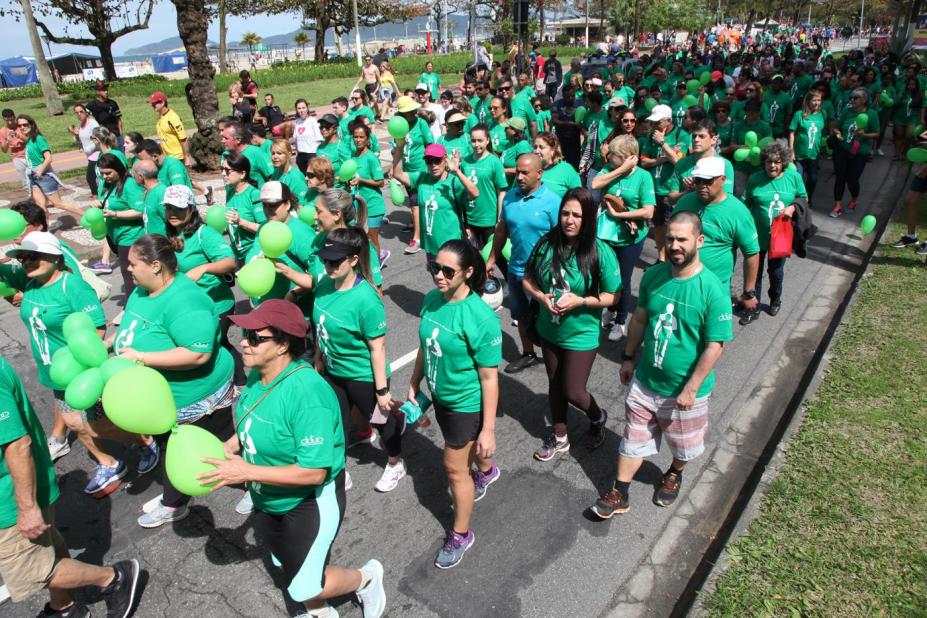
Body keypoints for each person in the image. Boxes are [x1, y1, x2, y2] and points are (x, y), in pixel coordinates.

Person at [200, 299, 386, 618]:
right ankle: (320, 610)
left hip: (310, 500)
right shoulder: (259, 376)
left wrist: (247, 471)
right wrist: (234, 442)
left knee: (303, 587)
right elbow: (255, 418)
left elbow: (314, 472)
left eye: (256, 338)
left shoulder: (307, 395)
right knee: (283, 561)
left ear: (283, 344)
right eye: (244, 333)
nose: (243, 342)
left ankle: (366, 579)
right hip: (268, 498)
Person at [590, 211, 733, 518]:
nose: (675, 245)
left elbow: (715, 346)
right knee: (633, 436)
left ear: (699, 240)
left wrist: (691, 389)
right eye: (670, 238)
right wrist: (628, 357)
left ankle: (674, 471)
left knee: (683, 444)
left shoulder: (712, 289)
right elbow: (640, 317)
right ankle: (620, 493)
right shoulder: (654, 276)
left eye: (682, 239)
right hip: (645, 381)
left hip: (683, 391)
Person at [0, 232, 147, 494]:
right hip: (52, 371)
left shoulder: (72, 287)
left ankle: (143, 442)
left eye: (34, 256)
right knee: (75, 422)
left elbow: (98, 330)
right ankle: (114, 459)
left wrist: (76, 362)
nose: (27, 262)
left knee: (92, 423)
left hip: (78, 371)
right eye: (23, 257)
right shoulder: (29, 281)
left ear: (55, 258)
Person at [0, 355, 140, 618]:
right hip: (16, 492)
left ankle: (114, 579)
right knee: (47, 546)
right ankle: (63, 607)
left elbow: (17, 446)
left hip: (9, 499)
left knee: (31, 572)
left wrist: (28, 508)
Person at [113, 234, 236, 528]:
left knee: (208, 450)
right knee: (190, 447)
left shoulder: (186, 301)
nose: (127, 269)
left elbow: (197, 354)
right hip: (163, 398)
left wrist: (139, 357)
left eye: (133, 264)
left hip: (195, 398)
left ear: (156, 266)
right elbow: (131, 328)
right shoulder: (143, 291)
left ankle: (175, 502)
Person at [408, 239, 501, 568]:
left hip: (465, 404)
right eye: (435, 267)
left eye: (448, 271)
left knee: (454, 468)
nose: (439, 276)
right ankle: (487, 472)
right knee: (467, 458)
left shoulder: (480, 318)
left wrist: (488, 430)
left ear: (469, 272)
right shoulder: (433, 300)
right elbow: (425, 343)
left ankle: (461, 534)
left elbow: (490, 379)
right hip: (438, 395)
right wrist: (414, 382)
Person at [522, 188, 620, 460]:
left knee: (574, 391)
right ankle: (560, 436)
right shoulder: (546, 243)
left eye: (577, 215)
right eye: (565, 213)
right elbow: (527, 278)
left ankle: (597, 417)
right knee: (554, 384)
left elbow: (614, 295)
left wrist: (581, 301)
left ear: (588, 218)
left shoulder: (600, 251)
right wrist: (541, 298)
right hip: (549, 329)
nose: (570, 219)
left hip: (581, 334)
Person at [310, 227, 406, 494]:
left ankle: (395, 463)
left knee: (381, 422)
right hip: (333, 370)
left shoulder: (366, 300)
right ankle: (339, 471)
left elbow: (378, 348)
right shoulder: (322, 285)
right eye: (325, 260)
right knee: (335, 422)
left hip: (364, 376)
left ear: (353, 259)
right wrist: (319, 356)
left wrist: (382, 390)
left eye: (335, 261)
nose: (328, 266)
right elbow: (320, 326)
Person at [486, 153, 561, 374]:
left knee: (548, 317)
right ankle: (528, 354)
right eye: (517, 171)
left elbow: (563, 240)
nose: (519, 176)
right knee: (520, 315)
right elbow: (502, 230)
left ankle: (555, 357)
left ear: (539, 173)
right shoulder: (510, 197)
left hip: (544, 274)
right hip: (516, 268)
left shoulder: (553, 201)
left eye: (525, 172)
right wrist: (491, 259)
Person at [162, 184, 244, 382]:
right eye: (169, 208)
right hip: (190, 305)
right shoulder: (170, 234)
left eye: (179, 208)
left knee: (214, 345)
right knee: (210, 345)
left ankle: (239, 382)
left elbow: (230, 261)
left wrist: (203, 268)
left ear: (191, 208)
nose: (173, 213)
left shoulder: (204, 234)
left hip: (216, 304)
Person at [673, 157, 760, 314]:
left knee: (711, 336)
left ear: (722, 180)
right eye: (698, 180)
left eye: (707, 181)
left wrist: (749, 292)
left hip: (714, 290)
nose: (701, 186)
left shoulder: (738, 211)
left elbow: (751, 253)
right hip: (680, 283)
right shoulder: (684, 202)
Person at [592, 136, 656, 341]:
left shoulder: (644, 177)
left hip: (630, 239)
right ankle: (610, 308)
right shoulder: (610, 169)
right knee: (605, 274)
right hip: (606, 236)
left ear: (629, 157)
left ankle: (620, 322)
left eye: (614, 155)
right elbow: (594, 183)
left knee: (623, 279)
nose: (609, 156)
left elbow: (648, 212)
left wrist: (620, 216)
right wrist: (619, 170)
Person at [740, 142, 807, 324]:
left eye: (776, 162)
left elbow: (803, 198)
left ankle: (775, 298)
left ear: (783, 162)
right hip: (757, 235)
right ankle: (753, 307)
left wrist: (792, 208)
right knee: (755, 271)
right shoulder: (755, 179)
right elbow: (745, 204)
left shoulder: (793, 178)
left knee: (775, 272)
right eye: (769, 162)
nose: (772, 166)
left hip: (780, 236)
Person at [391, 143, 479, 263]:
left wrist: (457, 171)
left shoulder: (453, 182)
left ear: (445, 160)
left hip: (451, 245)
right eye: (429, 161)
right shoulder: (421, 178)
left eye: (437, 160)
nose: (433, 165)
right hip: (431, 245)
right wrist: (400, 147)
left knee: (453, 279)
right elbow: (398, 174)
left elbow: (475, 193)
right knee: (438, 279)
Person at [244, 182, 316, 308]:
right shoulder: (263, 227)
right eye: (264, 205)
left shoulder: (303, 233)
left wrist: (293, 295)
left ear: (287, 204)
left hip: (290, 314)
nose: (267, 210)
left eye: (272, 205)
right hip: (260, 310)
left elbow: (319, 276)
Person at [638, 104, 688, 261]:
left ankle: (674, 258)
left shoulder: (682, 135)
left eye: (657, 122)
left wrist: (662, 144)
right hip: (654, 187)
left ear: (668, 120)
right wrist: (663, 159)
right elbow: (644, 162)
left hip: (671, 189)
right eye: (653, 122)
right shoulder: (651, 135)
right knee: (658, 225)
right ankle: (661, 258)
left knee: (673, 228)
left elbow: (678, 161)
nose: (654, 126)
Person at [17, 115, 83, 223]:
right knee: (40, 206)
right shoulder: (29, 139)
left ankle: (86, 216)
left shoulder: (38, 138)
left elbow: (48, 158)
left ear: (32, 124)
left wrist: (40, 170)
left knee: (58, 204)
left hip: (43, 176)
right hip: (33, 176)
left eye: (25, 124)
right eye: (20, 125)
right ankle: (44, 229)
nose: (22, 127)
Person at [98, 152, 145, 298]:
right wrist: (99, 204)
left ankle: (131, 306)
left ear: (118, 169)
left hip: (131, 235)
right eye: (102, 174)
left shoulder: (130, 184)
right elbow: (107, 202)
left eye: (108, 173)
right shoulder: (105, 184)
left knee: (128, 271)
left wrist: (115, 214)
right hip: (115, 236)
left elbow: (139, 210)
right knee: (128, 271)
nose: (105, 177)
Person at [829, 88, 879, 218]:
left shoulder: (871, 114)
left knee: (852, 179)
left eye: (855, 98)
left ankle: (854, 199)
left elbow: (877, 133)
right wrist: (837, 133)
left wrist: (865, 134)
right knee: (840, 177)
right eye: (851, 97)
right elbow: (836, 126)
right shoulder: (847, 110)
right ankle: (837, 206)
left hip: (860, 152)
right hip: (842, 148)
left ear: (864, 100)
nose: (852, 100)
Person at [665, 119, 735, 204]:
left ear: (714, 139)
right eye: (694, 136)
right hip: (686, 214)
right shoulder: (682, 163)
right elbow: (671, 199)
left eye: (701, 136)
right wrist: (687, 192)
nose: (696, 140)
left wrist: (699, 188)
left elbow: (727, 199)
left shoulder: (725, 164)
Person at [461, 124, 507, 250]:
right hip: (470, 218)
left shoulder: (494, 162)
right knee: (474, 258)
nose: (476, 144)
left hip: (489, 219)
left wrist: (499, 219)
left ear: (487, 140)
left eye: (480, 140)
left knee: (496, 257)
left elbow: (501, 192)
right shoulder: (465, 161)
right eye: (473, 141)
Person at [347, 122, 388, 262]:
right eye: (355, 137)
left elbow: (380, 182)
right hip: (359, 206)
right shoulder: (353, 157)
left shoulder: (371, 158)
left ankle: (377, 264)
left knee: (371, 237)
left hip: (373, 205)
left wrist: (361, 180)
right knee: (361, 238)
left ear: (368, 139)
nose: (357, 140)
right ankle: (369, 262)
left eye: (361, 137)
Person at [223, 153, 265, 263]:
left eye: (227, 171)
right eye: (222, 169)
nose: (223, 174)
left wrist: (241, 222)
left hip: (254, 254)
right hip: (237, 254)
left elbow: (266, 228)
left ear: (242, 174)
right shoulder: (230, 191)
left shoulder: (254, 194)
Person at [789, 90, 826, 209]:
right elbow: (792, 133)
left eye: (819, 100)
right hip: (799, 154)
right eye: (814, 100)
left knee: (813, 179)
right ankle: (798, 202)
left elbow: (822, 132)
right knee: (798, 178)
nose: (816, 103)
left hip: (814, 154)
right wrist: (791, 151)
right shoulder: (799, 114)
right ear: (808, 101)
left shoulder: (822, 114)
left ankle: (808, 197)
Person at [221, 122, 274, 188]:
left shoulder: (256, 152)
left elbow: (271, 178)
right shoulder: (225, 154)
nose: (222, 141)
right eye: (222, 138)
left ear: (238, 140)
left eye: (226, 138)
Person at [147, 92, 192, 166]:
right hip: (167, 157)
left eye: (154, 104)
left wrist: (186, 157)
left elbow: (183, 139)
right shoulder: (160, 117)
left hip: (177, 157)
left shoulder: (173, 118)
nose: (152, 106)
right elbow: (163, 137)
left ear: (162, 103)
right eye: (152, 104)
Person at [533, 132, 582, 198]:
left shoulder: (567, 170)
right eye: (535, 147)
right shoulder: (529, 168)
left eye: (541, 147)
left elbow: (579, 197)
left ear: (553, 150)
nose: (536, 151)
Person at [68, 103, 100, 196]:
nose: (79, 114)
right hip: (90, 156)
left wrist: (88, 149)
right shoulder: (82, 124)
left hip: (97, 155)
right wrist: (76, 135)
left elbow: (99, 138)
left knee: (90, 178)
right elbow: (84, 140)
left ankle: (96, 197)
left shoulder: (92, 123)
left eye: (81, 111)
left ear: (86, 112)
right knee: (98, 177)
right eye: (76, 112)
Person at [132, 159, 168, 237]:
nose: (133, 177)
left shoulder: (161, 193)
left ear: (140, 176)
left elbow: (173, 222)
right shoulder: (149, 191)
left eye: (134, 174)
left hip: (163, 245)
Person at [270, 139, 309, 206]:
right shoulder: (276, 172)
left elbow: (301, 204)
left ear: (289, 154)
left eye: (279, 153)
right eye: (273, 153)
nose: (275, 157)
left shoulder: (296, 176)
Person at [0, 108, 29, 193]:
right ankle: (33, 200)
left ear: (14, 117)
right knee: (25, 182)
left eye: (12, 120)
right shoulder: (2, 131)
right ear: (3, 119)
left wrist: (19, 136)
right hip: (17, 158)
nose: (10, 122)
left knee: (38, 177)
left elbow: (30, 140)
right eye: (7, 120)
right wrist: (8, 140)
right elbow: (4, 150)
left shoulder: (22, 126)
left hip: (29, 154)